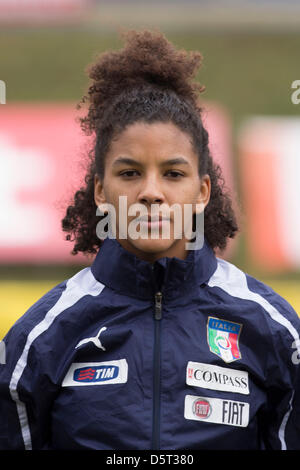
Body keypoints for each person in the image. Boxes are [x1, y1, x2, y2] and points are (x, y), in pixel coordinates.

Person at [0, 30, 299, 451]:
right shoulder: (41, 337)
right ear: (100, 191)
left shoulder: (273, 330)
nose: (151, 192)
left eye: (173, 174)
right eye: (129, 173)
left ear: (203, 191)